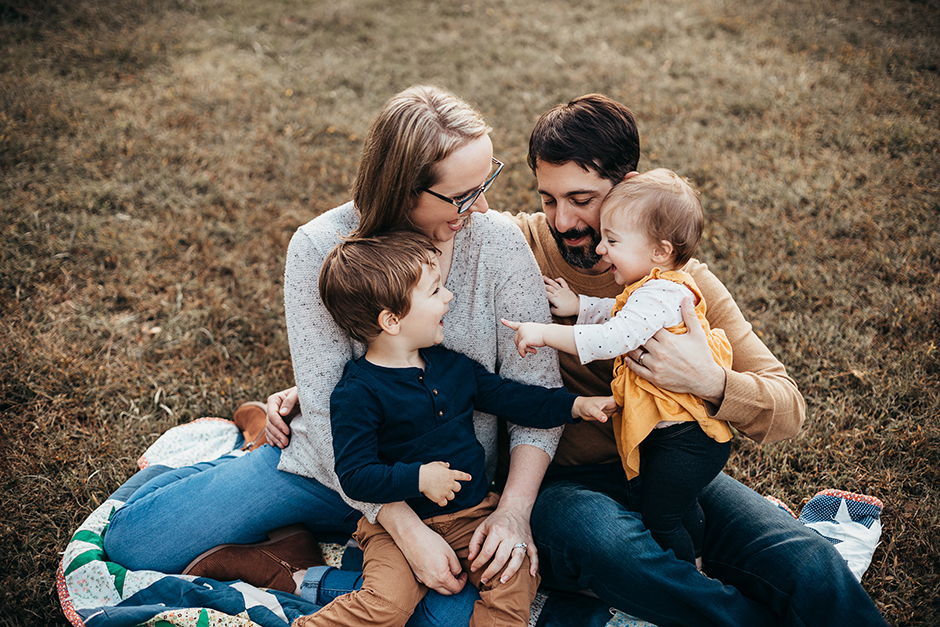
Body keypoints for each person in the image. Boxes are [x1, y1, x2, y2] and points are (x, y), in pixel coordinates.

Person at [266, 94, 890, 626]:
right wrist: (311, 389)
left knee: (804, 561)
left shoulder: (683, 287)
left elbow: (787, 409)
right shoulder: (518, 244)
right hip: (561, 486)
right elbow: (400, 287)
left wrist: (710, 380)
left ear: (629, 189)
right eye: (547, 198)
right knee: (615, 546)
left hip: (667, 467)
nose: (565, 220)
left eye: (584, 200)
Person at [102, 85, 570, 627]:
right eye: (462, 195)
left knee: (450, 616)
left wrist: (513, 511)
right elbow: (327, 414)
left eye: (486, 182)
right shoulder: (318, 245)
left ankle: (290, 564)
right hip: (337, 467)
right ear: (402, 189)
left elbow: (536, 394)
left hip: (449, 491)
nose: (483, 207)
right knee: (137, 542)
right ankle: (255, 447)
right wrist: (404, 529)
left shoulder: (499, 244)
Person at [296, 231, 613, 627]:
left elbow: (512, 398)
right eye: (435, 291)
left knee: (517, 572)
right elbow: (356, 476)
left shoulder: (452, 367)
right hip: (397, 532)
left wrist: (576, 406)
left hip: (473, 515)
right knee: (388, 606)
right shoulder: (357, 393)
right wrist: (419, 478)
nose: (449, 297)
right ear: (391, 320)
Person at [503, 169, 733, 567]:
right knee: (679, 508)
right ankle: (699, 556)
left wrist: (543, 332)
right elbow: (621, 311)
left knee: (660, 518)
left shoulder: (663, 292)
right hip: (676, 438)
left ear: (659, 251)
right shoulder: (653, 288)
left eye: (613, 241)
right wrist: (579, 305)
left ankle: (686, 577)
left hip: (684, 442)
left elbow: (614, 337)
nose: (602, 250)